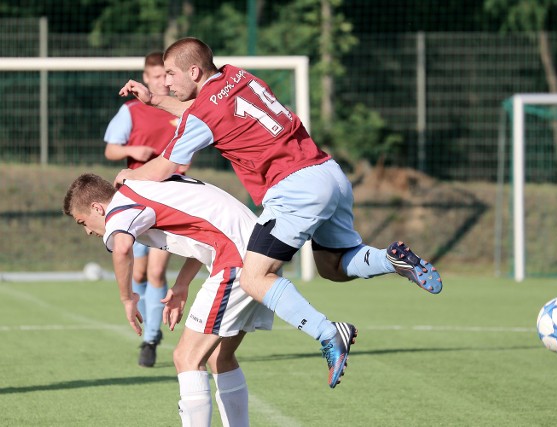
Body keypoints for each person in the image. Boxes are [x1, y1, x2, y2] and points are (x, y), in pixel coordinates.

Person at [115, 37, 443, 388]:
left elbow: (168, 165)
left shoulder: (203, 113)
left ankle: (328, 333)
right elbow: (207, 111)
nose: (165, 81)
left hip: (294, 187)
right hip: (329, 173)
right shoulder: (237, 76)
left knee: (253, 278)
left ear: (193, 71)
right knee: (333, 266)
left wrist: (127, 177)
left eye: (169, 73)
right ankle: (391, 260)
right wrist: (155, 101)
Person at [63, 172, 278, 426]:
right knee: (219, 356)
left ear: (97, 208)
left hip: (238, 258)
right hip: (256, 249)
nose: (87, 231)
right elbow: (206, 233)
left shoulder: (122, 207)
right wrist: (182, 284)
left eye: (82, 222)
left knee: (186, 357)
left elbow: (122, 248)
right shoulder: (145, 193)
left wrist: (127, 298)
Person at [103, 51, 183, 367]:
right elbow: (111, 149)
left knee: (157, 270)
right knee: (137, 270)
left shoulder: (179, 110)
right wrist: (132, 150)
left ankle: (150, 338)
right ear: (145, 79)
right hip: (137, 198)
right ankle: (147, 325)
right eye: (154, 76)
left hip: (171, 199)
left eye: (165, 75)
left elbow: (185, 156)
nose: (161, 81)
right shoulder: (132, 111)